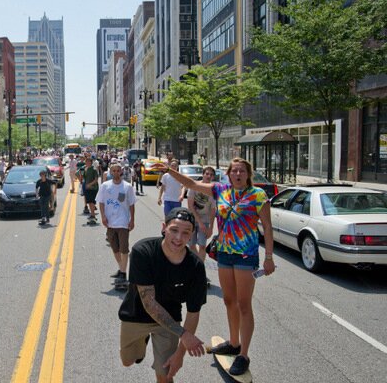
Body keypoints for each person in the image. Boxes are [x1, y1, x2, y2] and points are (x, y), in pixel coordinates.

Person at [167, 158, 275, 375]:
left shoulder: (258, 195)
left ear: (247, 174)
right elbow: (192, 184)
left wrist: (269, 257)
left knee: (244, 305)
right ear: (228, 174)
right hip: (225, 253)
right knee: (228, 301)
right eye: (234, 170)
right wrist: (170, 171)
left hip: (246, 256)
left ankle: (243, 355)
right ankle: (233, 343)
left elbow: (268, 227)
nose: (237, 174)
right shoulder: (220, 190)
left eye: (241, 171)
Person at [118, 207, 207, 383]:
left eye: (185, 233)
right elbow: (149, 303)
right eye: (174, 230)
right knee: (127, 361)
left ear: (191, 235)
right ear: (164, 227)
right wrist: (185, 335)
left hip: (170, 319)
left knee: (166, 374)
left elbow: (193, 313)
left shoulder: (195, 267)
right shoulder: (143, 251)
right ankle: (143, 340)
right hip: (137, 314)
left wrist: (180, 354)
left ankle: (161, 352)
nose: (178, 238)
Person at [96, 163, 136, 285]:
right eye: (114, 171)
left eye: (118, 170)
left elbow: (131, 204)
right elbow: (101, 202)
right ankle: (121, 269)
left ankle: (123, 274)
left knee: (124, 249)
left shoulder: (127, 187)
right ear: (110, 172)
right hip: (110, 222)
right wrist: (103, 217)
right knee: (115, 249)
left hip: (123, 222)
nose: (116, 173)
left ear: (121, 172)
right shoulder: (105, 186)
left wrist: (132, 220)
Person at [182, 166, 216, 263]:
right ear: (203, 174)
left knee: (202, 245)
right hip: (192, 219)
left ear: (213, 177)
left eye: (211, 175)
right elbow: (190, 206)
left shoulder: (213, 190)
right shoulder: (194, 186)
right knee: (191, 245)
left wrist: (211, 228)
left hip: (205, 220)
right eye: (207, 174)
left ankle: (200, 267)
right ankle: (196, 264)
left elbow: (213, 210)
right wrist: (199, 222)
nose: (209, 176)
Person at [83, 157, 99, 222]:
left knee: (92, 201)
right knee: (89, 201)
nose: (87, 162)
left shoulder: (94, 169)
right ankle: (92, 214)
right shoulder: (85, 169)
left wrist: (90, 184)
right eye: (86, 161)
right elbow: (84, 178)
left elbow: (96, 179)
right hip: (87, 187)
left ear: (91, 162)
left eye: (89, 161)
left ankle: (93, 215)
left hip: (93, 188)